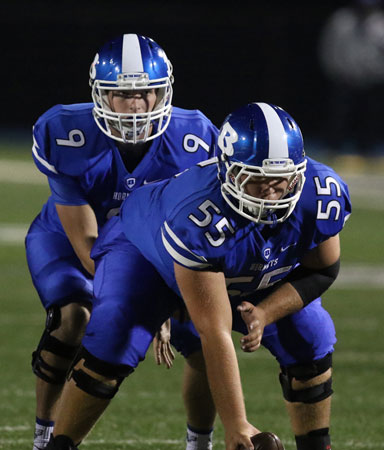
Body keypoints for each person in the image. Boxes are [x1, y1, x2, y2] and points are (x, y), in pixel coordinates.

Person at [45, 102, 351, 450]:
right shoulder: (198, 217)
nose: (271, 191)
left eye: (281, 179)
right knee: (116, 333)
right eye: (257, 179)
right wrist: (237, 426)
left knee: (311, 331)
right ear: (229, 172)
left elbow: (322, 269)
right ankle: (59, 445)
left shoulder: (321, 193)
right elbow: (213, 330)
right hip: (144, 251)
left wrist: (266, 312)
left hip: (235, 264)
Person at [25, 33, 219, 450]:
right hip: (69, 242)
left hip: (159, 255)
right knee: (71, 319)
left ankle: (199, 442)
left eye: (146, 94)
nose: (135, 105)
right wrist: (143, 302)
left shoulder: (196, 137)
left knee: (203, 336)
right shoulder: (64, 131)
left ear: (163, 92)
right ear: (100, 95)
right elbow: (86, 242)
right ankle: (44, 435)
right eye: (123, 94)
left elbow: (191, 229)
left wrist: (162, 299)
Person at [318, 0, 384, 163]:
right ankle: (332, 151)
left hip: (372, 81)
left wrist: (380, 74)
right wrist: (336, 72)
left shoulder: (381, 23)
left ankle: (368, 152)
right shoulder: (341, 20)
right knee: (339, 116)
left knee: (371, 117)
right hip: (344, 79)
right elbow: (328, 48)